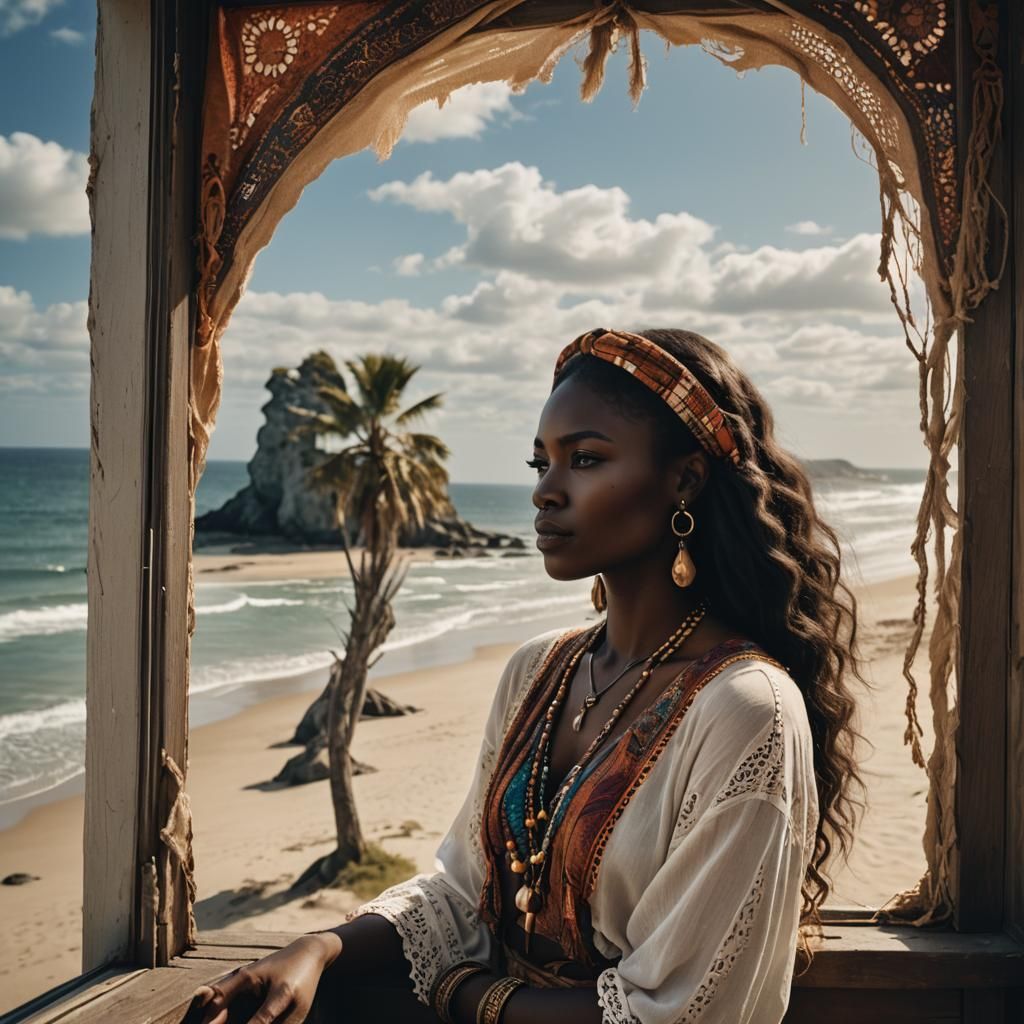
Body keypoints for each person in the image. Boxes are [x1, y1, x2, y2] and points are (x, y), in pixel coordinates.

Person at [193, 327, 863, 1024]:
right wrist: (319, 948)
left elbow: (682, 1009)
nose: (546, 491)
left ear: (685, 479)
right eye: (540, 463)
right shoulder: (538, 669)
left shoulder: (747, 709)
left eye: (586, 459)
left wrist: (466, 995)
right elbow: (465, 895)